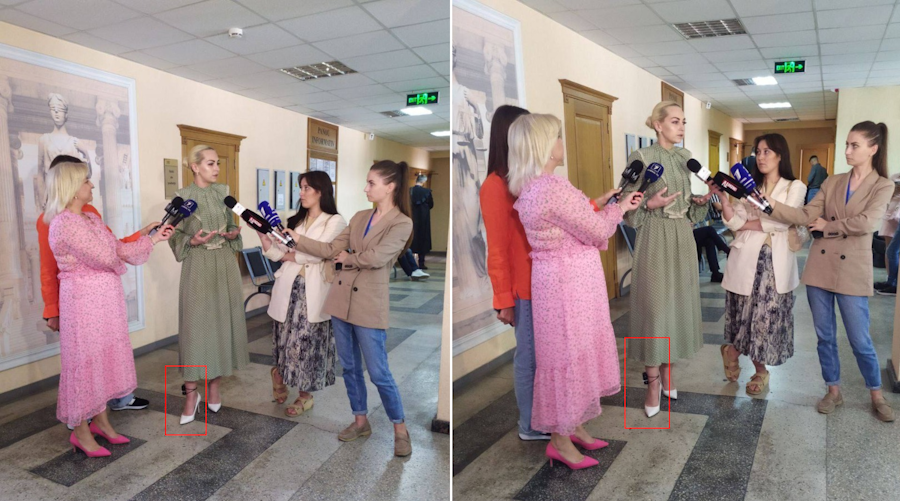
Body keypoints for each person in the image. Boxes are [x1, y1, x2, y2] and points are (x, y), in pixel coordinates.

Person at [508, 113, 643, 469]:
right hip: (568, 285)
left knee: (570, 352)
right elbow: (596, 230)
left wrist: (608, 205)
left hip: (559, 280)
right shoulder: (551, 188)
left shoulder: (533, 187)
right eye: (557, 136)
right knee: (568, 355)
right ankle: (560, 441)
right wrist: (619, 208)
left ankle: (575, 426)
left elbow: (574, 221)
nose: (561, 143)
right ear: (544, 145)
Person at [763, 121, 894, 422]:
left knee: (860, 340)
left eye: (854, 145)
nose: (847, 150)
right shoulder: (833, 181)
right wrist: (771, 206)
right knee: (825, 337)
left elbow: (867, 223)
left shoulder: (883, 185)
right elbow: (806, 214)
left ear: (873, 149)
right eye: (847, 144)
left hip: (853, 270)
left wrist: (828, 226)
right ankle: (833, 390)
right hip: (820, 268)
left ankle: (876, 393)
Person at [284, 160, 414, 457]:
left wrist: (350, 258)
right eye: (367, 182)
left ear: (390, 186)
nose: (366, 188)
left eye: (371, 183)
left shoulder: (401, 222)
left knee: (379, 372)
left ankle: (400, 429)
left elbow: (377, 257)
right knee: (351, 368)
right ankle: (360, 421)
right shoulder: (359, 216)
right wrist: (298, 239)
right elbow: (331, 250)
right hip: (341, 301)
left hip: (369, 305)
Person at [45, 160, 173, 457]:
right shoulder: (64, 223)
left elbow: (117, 248)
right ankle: (80, 432)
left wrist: (153, 238)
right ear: (72, 188)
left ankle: (102, 423)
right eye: (86, 181)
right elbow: (105, 257)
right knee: (84, 364)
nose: (91, 184)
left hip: (104, 305)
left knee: (101, 361)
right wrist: (123, 254)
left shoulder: (90, 218)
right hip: (82, 304)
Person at [621, 101, 714, 417]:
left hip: (682, 238)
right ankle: (652, 382)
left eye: (684, 122)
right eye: (675, 121)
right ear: (658, 124)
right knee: (655, 310)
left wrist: (700, 201)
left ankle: (669, 375)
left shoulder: (686, 157)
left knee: (675, 308)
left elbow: (687, 207)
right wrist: (649, 205)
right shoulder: (641, 157)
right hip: (654, 237)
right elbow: (625, 203)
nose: (682, 127)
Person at [719, 133, 806, 395]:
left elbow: (784, 220)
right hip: (746, 259)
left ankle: (733, 353)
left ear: (780, 155)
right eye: (757, 152)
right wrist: (723, 199)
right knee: (744, 317)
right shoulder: (747, 187)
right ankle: (760, 371)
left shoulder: (795, 186)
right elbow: (734, 222)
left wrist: (749, 223)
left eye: (767, 151)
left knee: (764, 321)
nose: (760, 157)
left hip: (775, 264)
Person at [480, 104, 548, 441]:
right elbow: (497, 248)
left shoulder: (527, 181)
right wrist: (504, 299)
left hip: (545, 281)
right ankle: (529, 425)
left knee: (543, 358)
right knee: (529, 357)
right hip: (524, 287)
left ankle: (544, 418)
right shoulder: (495, 185)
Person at [169, 145, 249, 425]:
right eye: (210, 163)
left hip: (224, 264)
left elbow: (230, 223)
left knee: (219, 325)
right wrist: (190, 240)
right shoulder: (182, 197)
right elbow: (173, 234)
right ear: (195, 166)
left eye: (217, 163)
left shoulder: (222, 193)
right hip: (198, 264)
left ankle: (214, 387)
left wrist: (233, 232)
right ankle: (191, 395)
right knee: (195, 329)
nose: (216, 168)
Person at [261, 171, 347, 417]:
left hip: (313, 291)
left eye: (307, 187)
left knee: (306, 345)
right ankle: (279, 375)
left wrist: (291, 254)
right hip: (288, 288)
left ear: (321, 191)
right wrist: (262, 235)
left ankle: (304, 396)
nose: (301, 192)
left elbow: (320, 253)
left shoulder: (335, 221)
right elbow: (277, 254)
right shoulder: (295, 220)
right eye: (300, 187)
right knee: (285, 341)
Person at [874, 173, 900, 295]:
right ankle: (890, 280)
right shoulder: (895, 177)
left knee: (892, 251)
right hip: (891, 215)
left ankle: (893, 283)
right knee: (889, 250)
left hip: (896, 216)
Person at [410, 173, 434, 269]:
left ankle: (411, 263)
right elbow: (431, 204)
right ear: (424, 181)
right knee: (423, 238)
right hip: (424, 218)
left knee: (411, 238)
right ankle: (421, 263)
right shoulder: (427, 192)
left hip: (412, 217)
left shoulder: (409, 191)